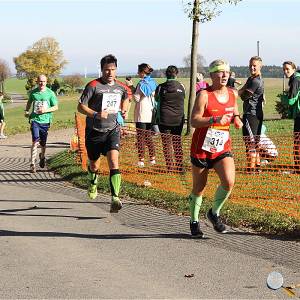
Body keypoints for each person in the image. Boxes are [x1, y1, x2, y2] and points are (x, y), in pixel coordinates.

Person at [189, 59, 243, 238]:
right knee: (199, 187)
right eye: (220, 72)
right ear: (212, 75)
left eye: (227, 72)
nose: (224, 75)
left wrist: (236, 119)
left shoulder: (232, 93)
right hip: (202, 148)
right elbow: (194, 120)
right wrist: (214, 120)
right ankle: (194, 222)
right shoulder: (204, 95)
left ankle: (214, 213)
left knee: (229, 181)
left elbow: (234, 109)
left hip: (222, 147)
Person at [77, 54, 129, 213]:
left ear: (116, 69)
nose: (110, 73)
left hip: (112, 130)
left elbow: (127, 97)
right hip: (94, 131)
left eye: (113, 70)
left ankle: (115, 198)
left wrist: (125, 110)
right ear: (101, 70)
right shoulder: (93, 85)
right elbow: (80, 107)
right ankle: (93, 183)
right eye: (107, 70)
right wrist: (95, 114)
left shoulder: (120, 87)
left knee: (114, 160)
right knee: (94, 164)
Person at [24, 75, 58, 173]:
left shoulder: (50, 93)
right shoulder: (33, 93)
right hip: (35, 120)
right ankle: (32, 164)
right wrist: (26, 111)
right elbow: (29, 102)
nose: (41, 83)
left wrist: (45, 110)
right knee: (35, 141)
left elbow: (56, 107)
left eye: (43, 81)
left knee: (43, 144)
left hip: (45, 121)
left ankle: (42, 157)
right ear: (37, 81)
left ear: (46, 82)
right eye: (40, 81)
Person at [126, 63, 157, 167]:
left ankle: (141, 160)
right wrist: (132, 87)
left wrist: (131, 88)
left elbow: (136, 98)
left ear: (143, 72)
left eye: (138, 71)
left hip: (142, 114)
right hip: (151, 113)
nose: (137, 73)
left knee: (140, 137)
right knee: (148, 136)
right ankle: (152, 159)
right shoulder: (153, 82)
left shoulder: (141, 84)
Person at [155, 65, 185, 172]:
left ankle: (170, 167)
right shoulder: (181, 86)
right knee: (177, 142)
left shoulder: (160, 87)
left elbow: (156, 99)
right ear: (176, 74)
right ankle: (180, 166)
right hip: (178, 119)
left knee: (166, 143)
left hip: (164, 119)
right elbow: (183, 97)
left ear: (165, 74)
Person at [238, 56, 264, 173]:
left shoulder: (255, 81)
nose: (252, 68)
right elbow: (242, 91)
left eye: (254, 65)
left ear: (260, 66)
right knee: (254, 142)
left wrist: (241, 91)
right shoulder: (252, 79)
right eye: (250, 65)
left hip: (251, 115)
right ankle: (257, 167)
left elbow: (243, 96)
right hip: (256, 114)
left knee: (250, 142)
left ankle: (250, 169)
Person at [282, 61, 300, 173]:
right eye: (284, 69)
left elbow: (291, 100)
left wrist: (284, 98)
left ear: (294, 69)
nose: (285, 71)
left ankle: (297, 168)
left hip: (299, 114)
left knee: (298, 142)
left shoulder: (295, 80)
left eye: (288, 69)